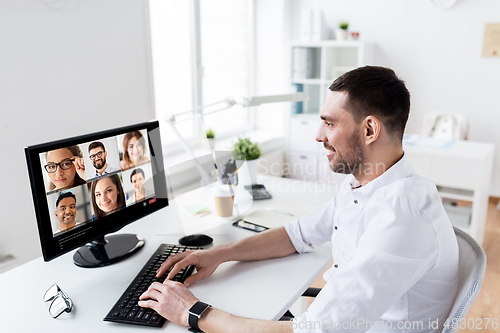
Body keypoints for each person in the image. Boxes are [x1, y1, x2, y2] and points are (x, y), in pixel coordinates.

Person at [138, 66, 459, 333]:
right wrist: (220, 254)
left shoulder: (401, 216)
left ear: (370, 129)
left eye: (330, 123)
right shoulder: (368, 183)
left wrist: (194, 313)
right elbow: (298, 234)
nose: (319, 135)